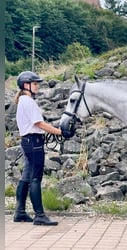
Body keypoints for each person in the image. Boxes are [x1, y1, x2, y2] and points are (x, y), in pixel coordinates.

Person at [13, 71, 62, 226]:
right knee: (35, 178)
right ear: (26, 85)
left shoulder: (22, 100)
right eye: (35, 84)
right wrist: (60, 132)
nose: (37, 87)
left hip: (27, 141)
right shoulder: (28, 101)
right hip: (34, 143)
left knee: (26, 176)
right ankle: (39, 215)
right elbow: (39, 124)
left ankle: (20, 212)